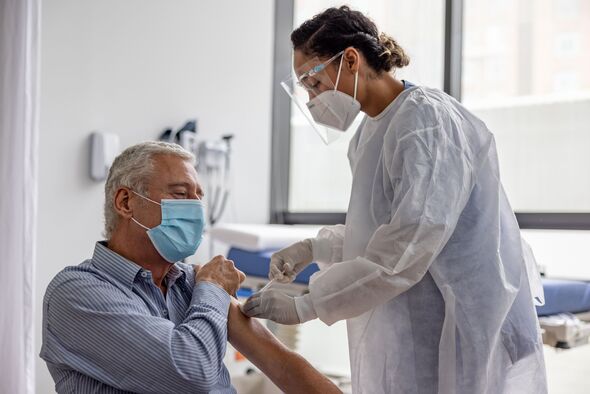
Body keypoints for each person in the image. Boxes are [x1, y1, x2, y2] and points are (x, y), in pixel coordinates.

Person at [243, 6, 547, 394]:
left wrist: (308, 304)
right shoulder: (369, 133)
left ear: (350, 59)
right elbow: (379, 229)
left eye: (313, 82)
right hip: (419, 313)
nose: (312, 98)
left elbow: (408, 245)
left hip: (464, 317)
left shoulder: (425, 122)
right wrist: (314, 247)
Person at [40, 141, 340, 394]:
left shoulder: (188, 282)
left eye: (199, 197)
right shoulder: (76, 293)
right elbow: (190, 372)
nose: (195, 208)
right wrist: (212, 288)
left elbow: (282, 365)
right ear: (126, 201)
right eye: (181, 194)